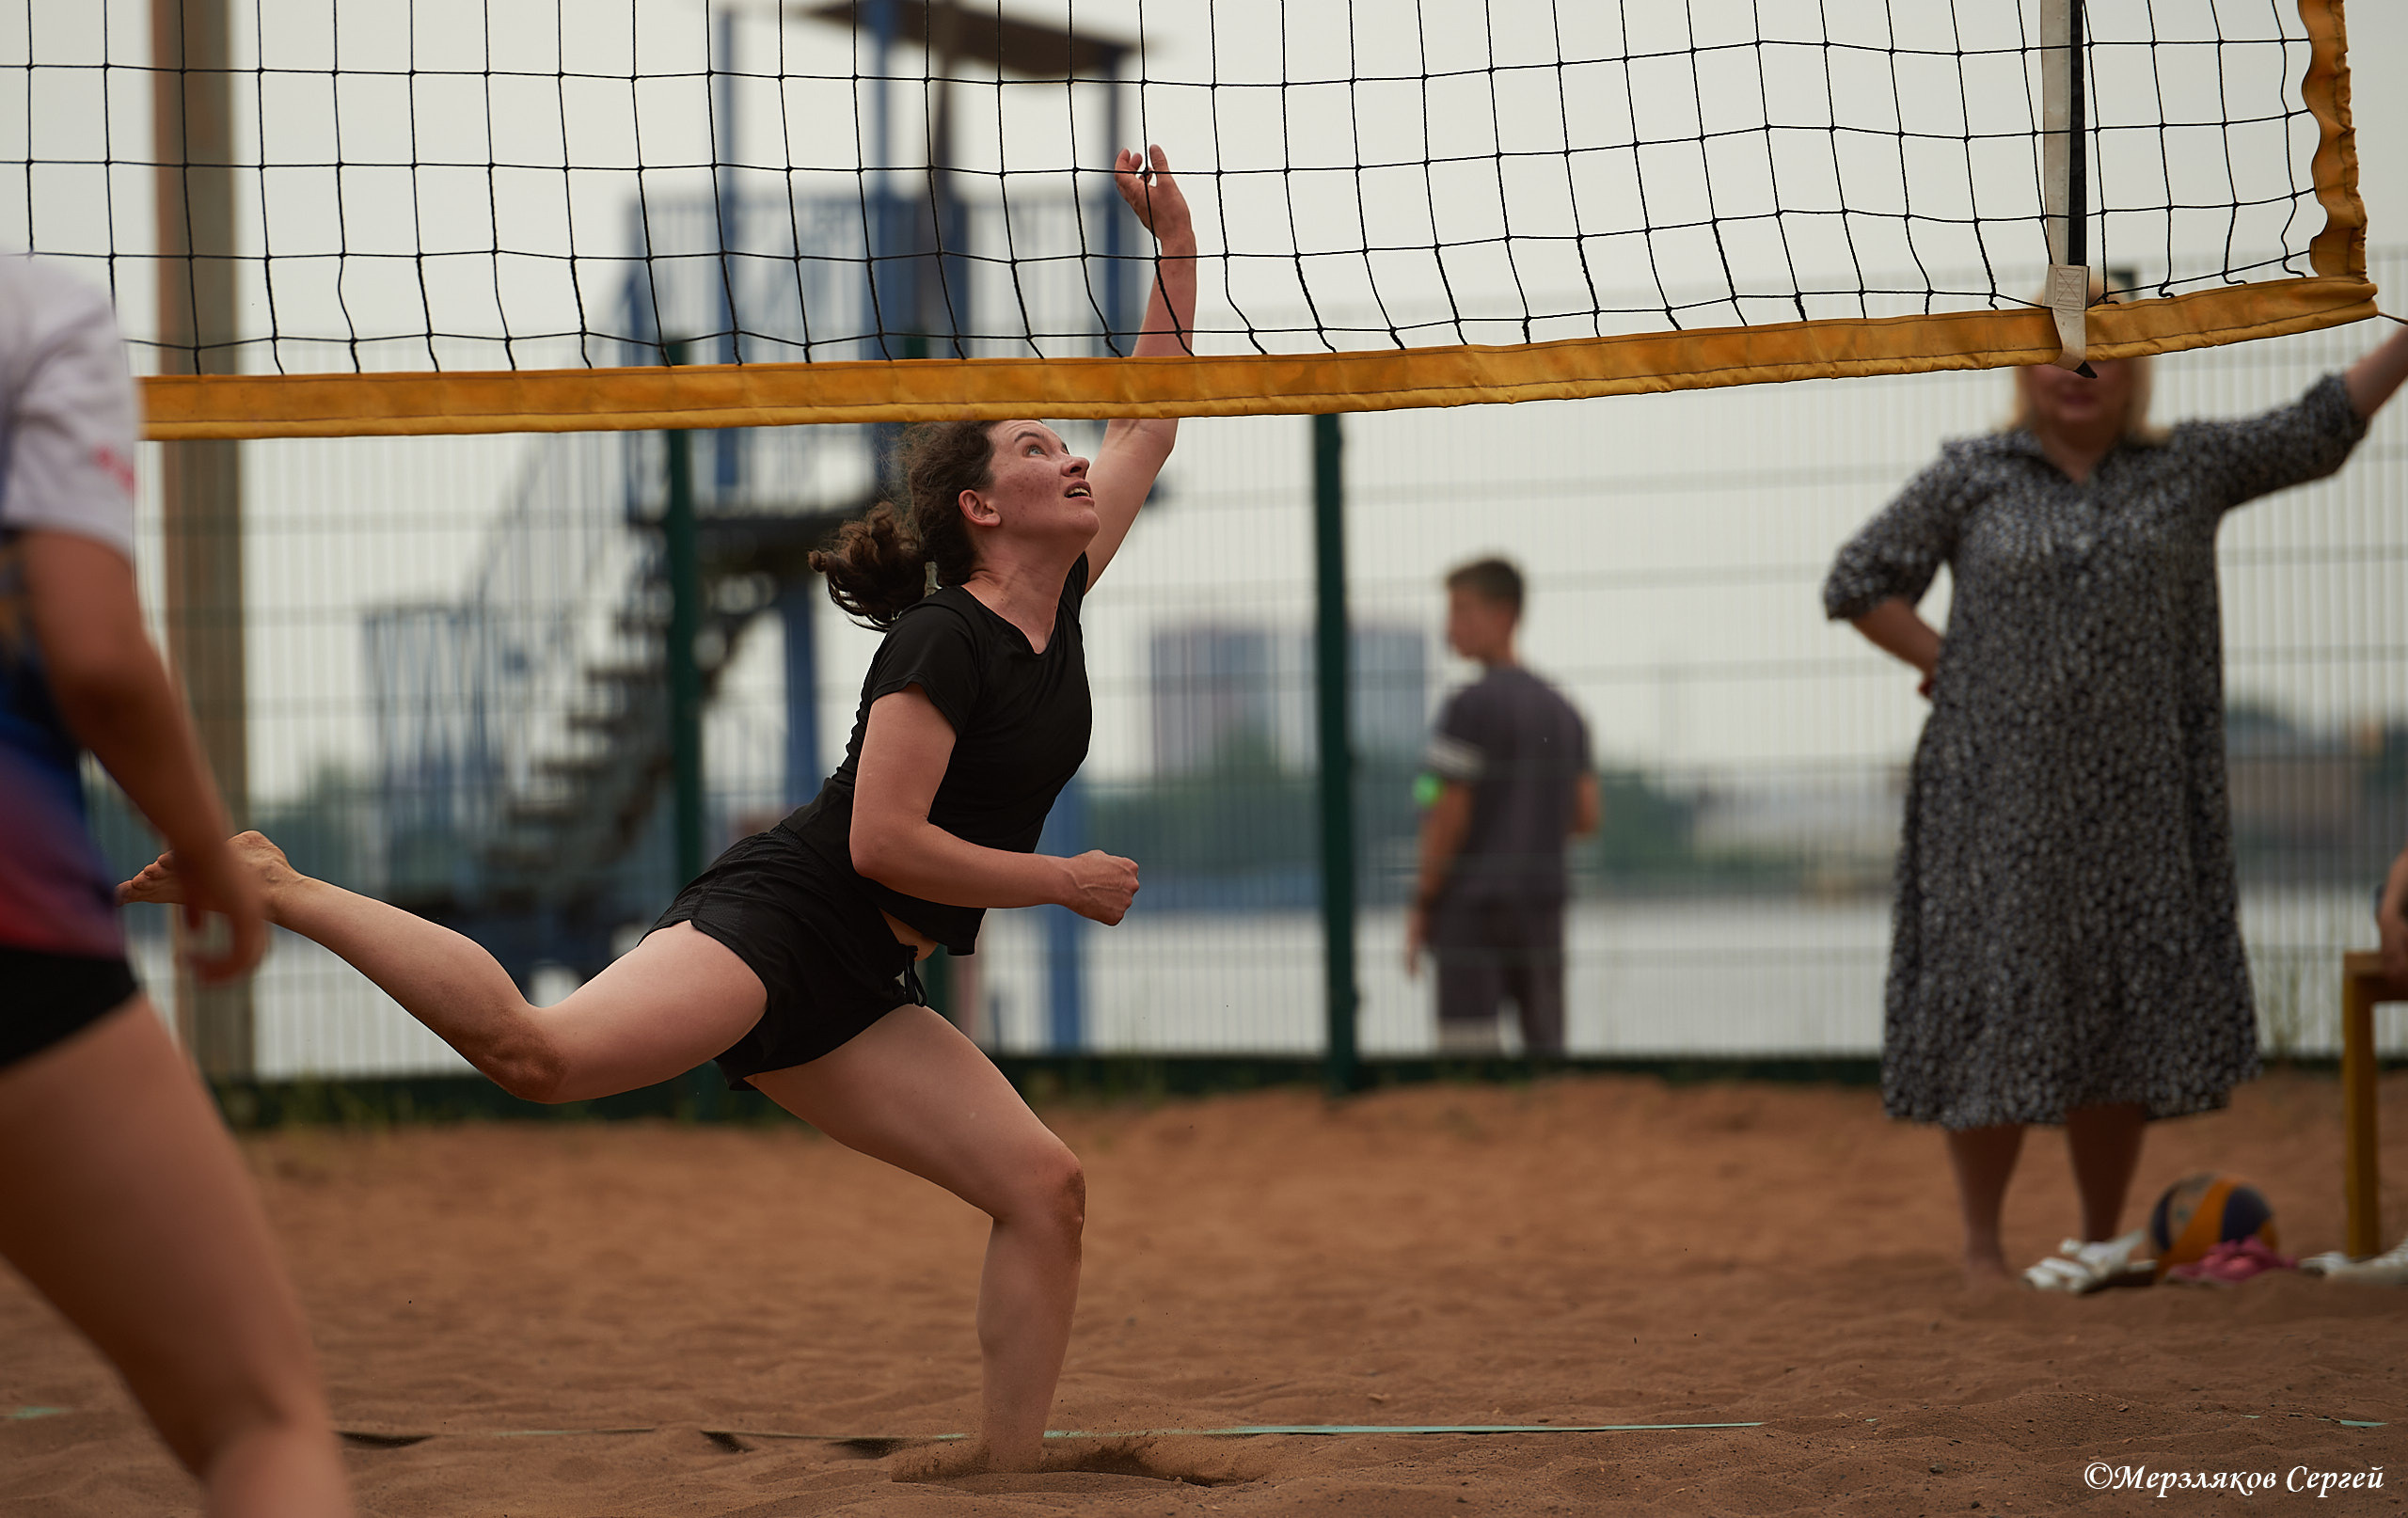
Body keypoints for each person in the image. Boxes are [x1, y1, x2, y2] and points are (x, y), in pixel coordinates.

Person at [121, 146, 1196, 1477]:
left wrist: (1176, 249)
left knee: (1044, 1188)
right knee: (541, 1056)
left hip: (871, 973)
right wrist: (1062, 880)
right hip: (789, 911)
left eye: (1064, 438)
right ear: (983, 508)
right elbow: (881, 843)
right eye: (1041, 446)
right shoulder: (939, 640)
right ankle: (279, 882)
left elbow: (1150, 418)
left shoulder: (1062, 600)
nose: (1076, 452)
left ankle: (1003, 1470)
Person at [1824, 320, 2408, 1288]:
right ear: (2022, 365)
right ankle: (1979, 1248)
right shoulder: (1973, 474)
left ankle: (2099, 1237)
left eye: (2105, 346)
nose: (2080, 367)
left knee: (2113, 1014)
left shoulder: (2188, 466)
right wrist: (1950, 664)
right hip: (1990, 804)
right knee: (1992, 1006)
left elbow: (2321, 426)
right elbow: (1856, 578)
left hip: (2142, 804)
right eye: (2057, 347)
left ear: (2141, 365)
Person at [0, 257, 353, 1515]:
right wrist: (211, 854)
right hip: (16, 913)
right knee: (264, 1423)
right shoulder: (38, 315)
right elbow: (97, 656)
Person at [1404, 557, 1599, 1055]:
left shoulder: (1466, 707)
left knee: (1467, 1056)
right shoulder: (1564, 710)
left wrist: (1424, 902)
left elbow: (1444, 808)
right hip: (1542, 902)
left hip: (1472, 906)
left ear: (1505, 615)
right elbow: (1585, 817)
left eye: (1463, 611)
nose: (1451, 627)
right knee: (1546, 1050)